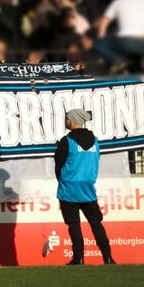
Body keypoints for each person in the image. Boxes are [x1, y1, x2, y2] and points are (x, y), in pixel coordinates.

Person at [55, 108, 114, 266]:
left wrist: (62, 182)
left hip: (69, 188)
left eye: (67, 118)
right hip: (88, 188)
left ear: (72, 121)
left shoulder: (66, 141)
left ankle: (79, 258)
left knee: (74, 224)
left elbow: (58, 164)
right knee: (96, 223)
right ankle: (107, 257)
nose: (65, 121)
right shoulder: (95, 141)